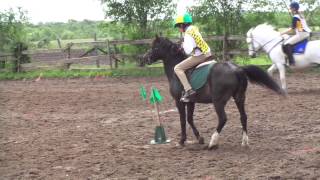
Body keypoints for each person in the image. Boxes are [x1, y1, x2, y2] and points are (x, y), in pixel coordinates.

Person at [174, 13, 212, 102]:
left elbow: (188, 50)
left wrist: (182, 45)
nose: (179, 29)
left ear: (183, 25)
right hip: (208, 53)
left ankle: (188, 90)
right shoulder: (194, 29)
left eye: (179, 27)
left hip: (200, 56)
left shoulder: (187, 33)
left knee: (177, 68)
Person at [281, 1, 312, 66]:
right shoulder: (300, 15)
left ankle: (292, 62)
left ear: (294, 8)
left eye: (291, 8)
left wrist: (281, 33)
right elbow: (299, 27)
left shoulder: (295, 17)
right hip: (305, 33)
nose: (290, 10)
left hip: (302, 34)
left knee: (286, 44)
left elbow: (292, 29)